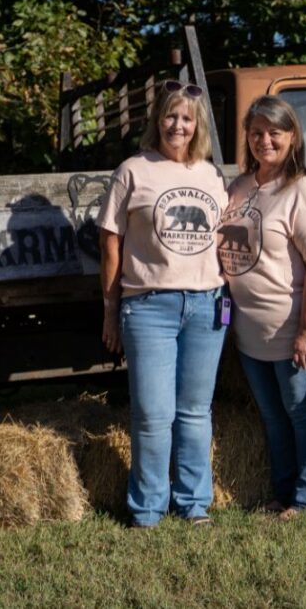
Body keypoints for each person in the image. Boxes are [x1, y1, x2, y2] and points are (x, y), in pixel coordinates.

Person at [97, 79, 229, 528]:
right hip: (149, 306)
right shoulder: (133, 170)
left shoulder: (211, 175)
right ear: (157, 120)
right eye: (170, 116)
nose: (178, 125)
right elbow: (110, 241)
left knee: (194, 412)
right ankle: (148, 508)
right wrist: (111, 307)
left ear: (198, 125)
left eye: (187, 118)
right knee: (153, 414)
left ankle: (194, 503)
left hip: (207, 304)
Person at [217, 95, 306, 520]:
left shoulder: (301, 190)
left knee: (303, 415)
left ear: (292, 136)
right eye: (256, 132)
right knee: (273, 417)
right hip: (249, 331)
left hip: (289, 329)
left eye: (274, 132)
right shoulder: (240, 187)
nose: (264, 140)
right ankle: (283, 491)